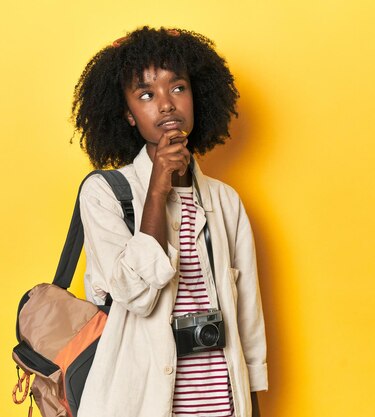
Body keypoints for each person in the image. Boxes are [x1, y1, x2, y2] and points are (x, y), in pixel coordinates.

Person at [71, 26, 268, 417]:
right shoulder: (103, 194)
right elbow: (135, 295)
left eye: (177, 88)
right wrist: (158, 188)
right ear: (127, 114)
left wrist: (252, 401)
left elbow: (248, 315)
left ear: (196, 95)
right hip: (139, 401)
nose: (165, 104)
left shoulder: (225, 201)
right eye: (146, 94)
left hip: (220, 402)